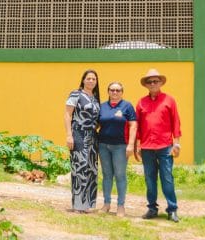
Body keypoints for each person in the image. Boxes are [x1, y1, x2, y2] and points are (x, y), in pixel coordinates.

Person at [134, 68, 182, 223]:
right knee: (149, 179)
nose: (153, 83)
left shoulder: (169, 100)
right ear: (146, 85)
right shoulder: (141, 102)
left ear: (161, 82)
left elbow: (176, 122)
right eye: (150, 82)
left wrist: (177, 143)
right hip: (147, 147)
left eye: (155, 81)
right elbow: (137, 126)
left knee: (167, 178)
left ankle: (172, 210)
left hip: (165, 146)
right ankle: (152, 209)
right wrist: (137, 146)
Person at [97, 81, 137, 217]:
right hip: (103, 145)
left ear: (122, 92)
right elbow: (96, 125)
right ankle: (106, 204)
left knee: (120, 175)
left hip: (120, 146)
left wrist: (131, 144)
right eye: (112, 90)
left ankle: (120, 206)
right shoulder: (102, 107)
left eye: (118, 90)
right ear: (108, 91)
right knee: (107, 175)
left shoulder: (127, 106)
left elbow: (133, 125)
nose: (115, 92)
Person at [64, 69, 101, 213]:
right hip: (78, 134)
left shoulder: (95, 98)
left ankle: (89, 204)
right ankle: (78, 205)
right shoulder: (76, 94)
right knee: (79, 168)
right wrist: (69, 135)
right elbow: (67, 115)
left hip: (93, 136)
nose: (91, 81)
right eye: (88, 78)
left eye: (94, 79)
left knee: (91, 169)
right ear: (83, 80)